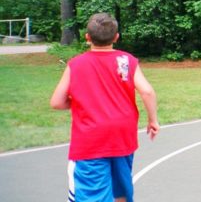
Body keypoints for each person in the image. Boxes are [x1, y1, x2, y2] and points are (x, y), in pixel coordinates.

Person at [50, 13, 159, 202]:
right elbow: (147, 92)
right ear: (116, 37)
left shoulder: (76, 64)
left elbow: (57, 102)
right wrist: (153, 120)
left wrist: (78, 102)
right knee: (121, 191)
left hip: (91, 140)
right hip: (122, 135)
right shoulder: (127, 60)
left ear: (87, 37)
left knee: (92, 195)